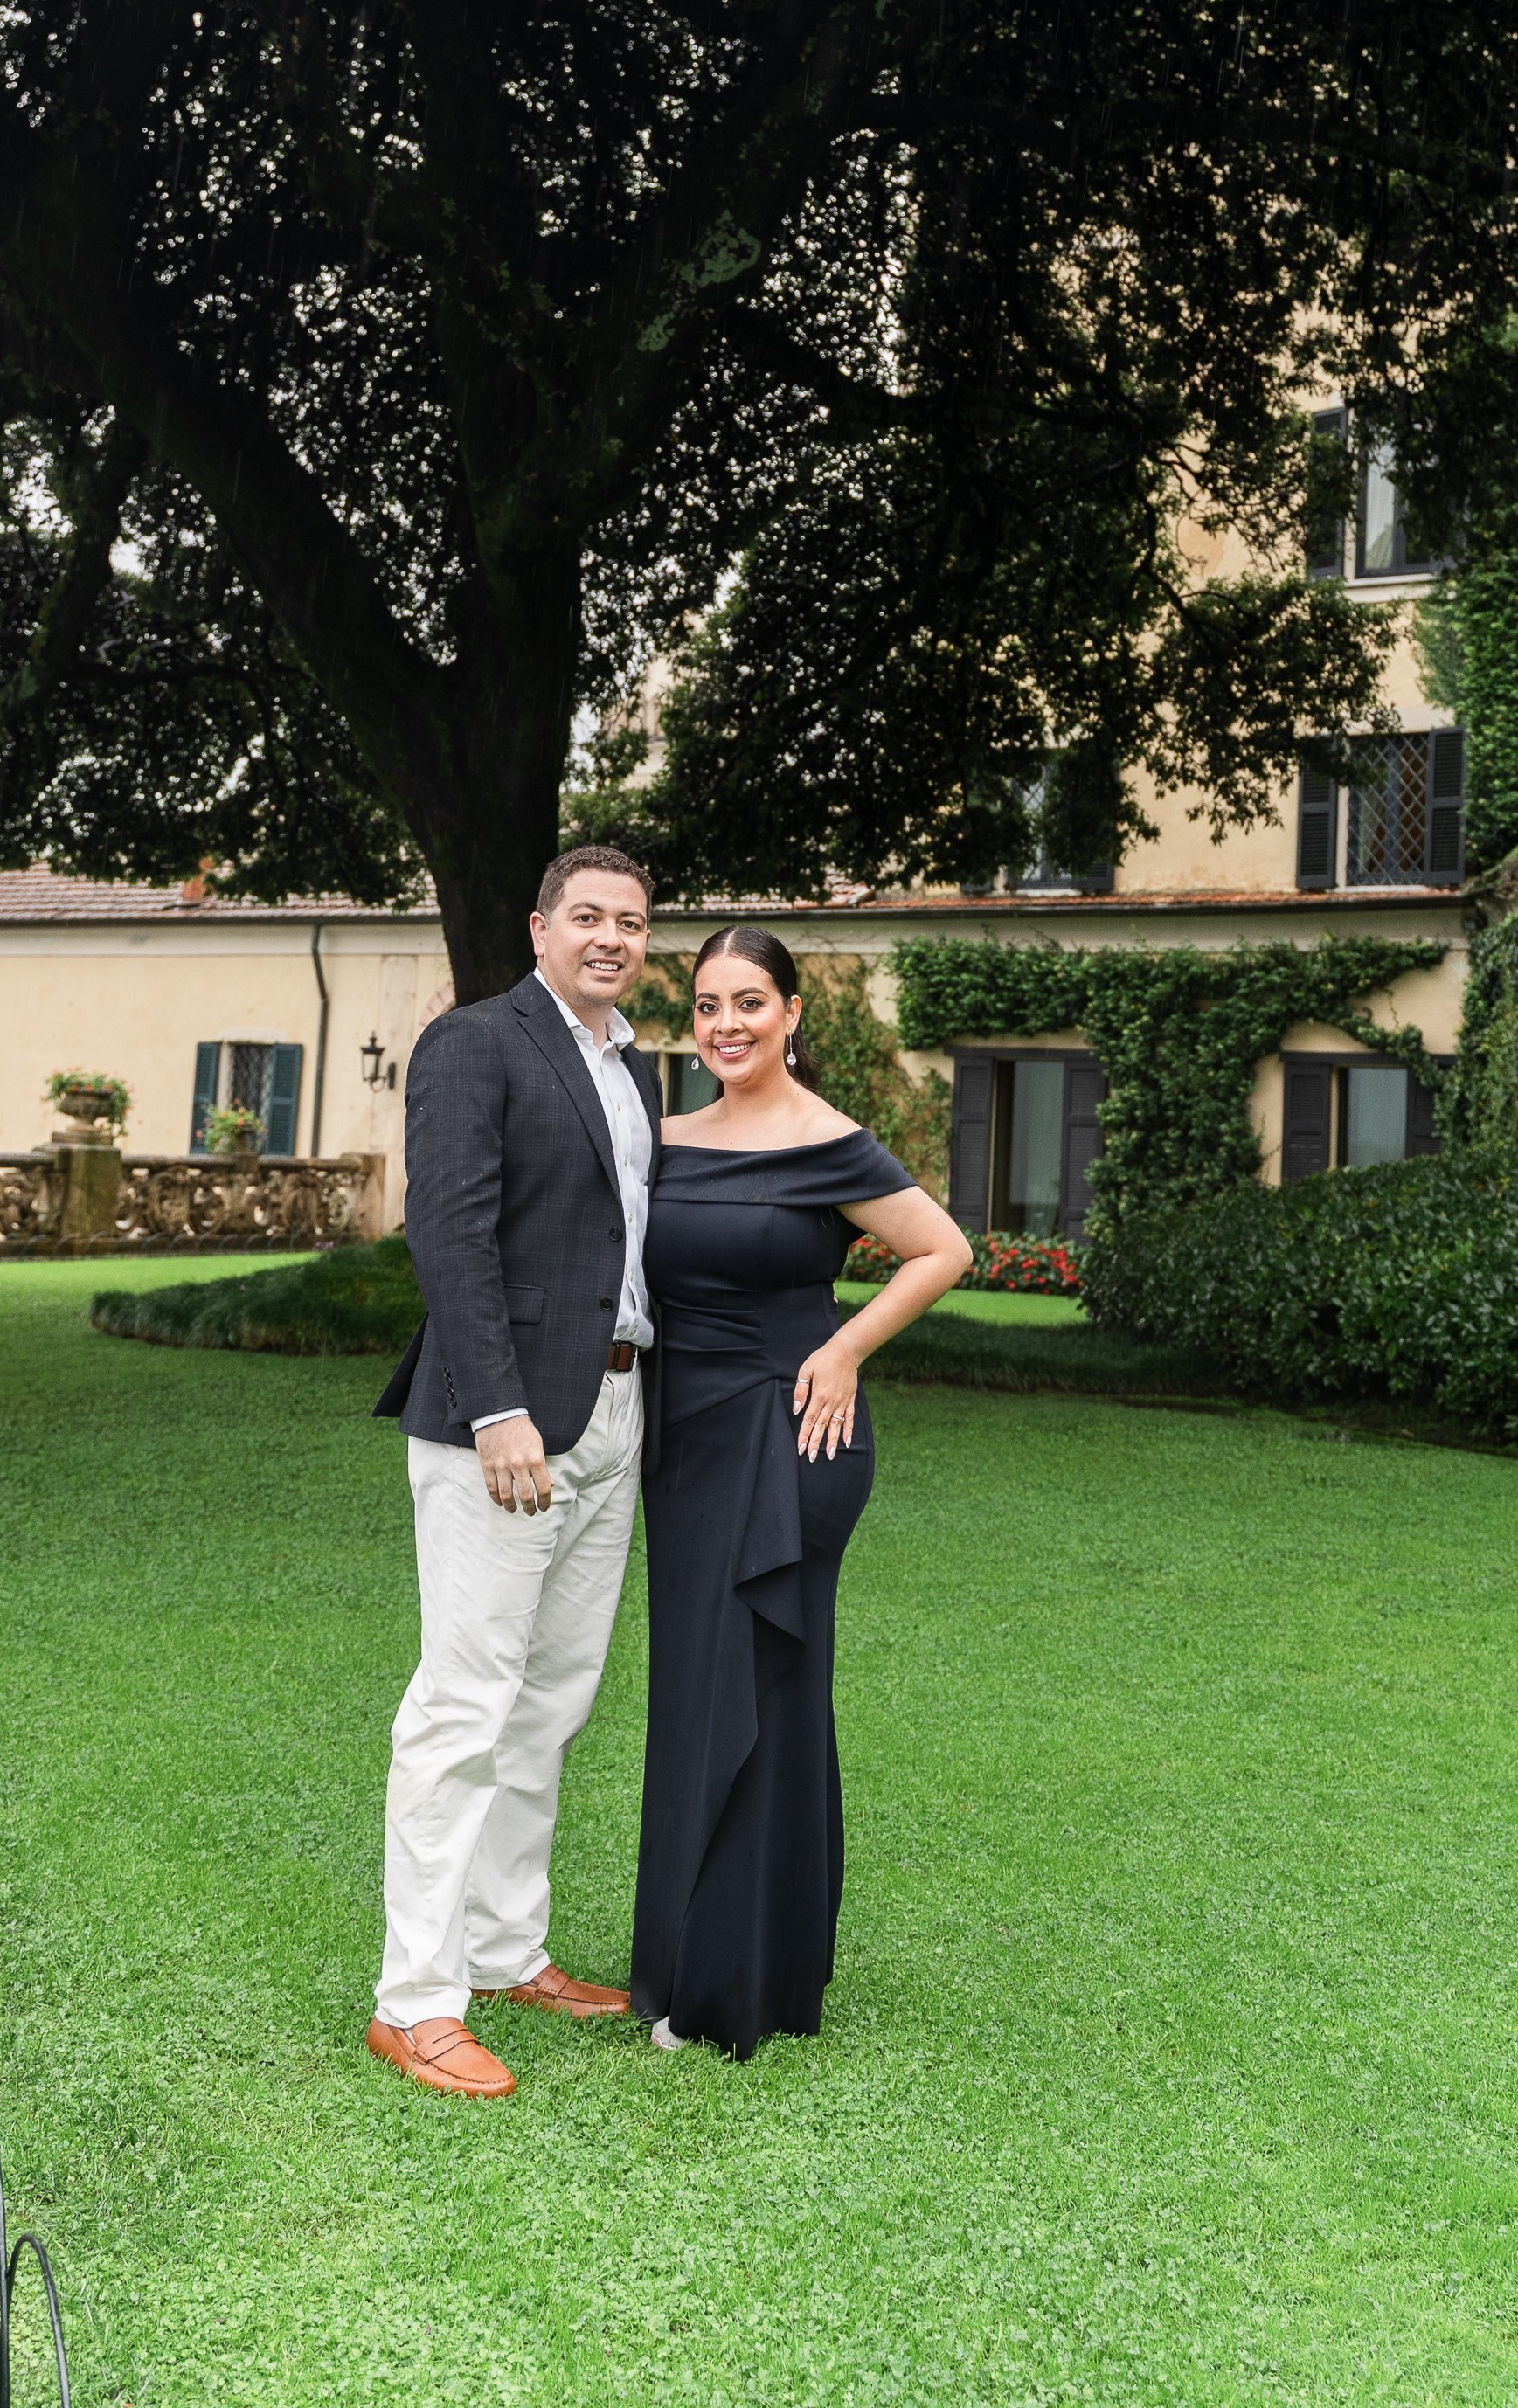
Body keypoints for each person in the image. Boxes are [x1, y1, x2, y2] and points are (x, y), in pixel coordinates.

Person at [632, 923, 972, 2059]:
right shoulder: (660, 1137)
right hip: (681, 1443)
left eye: (751, 1001)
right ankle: (687, 1958)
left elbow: (941, 1250)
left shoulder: (832, 1142)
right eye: (708, 1004)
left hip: (796, 1431)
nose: (727, 1023)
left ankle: (742, 1982)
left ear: (793, 1015)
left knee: (763, 1685)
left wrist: (847, 1347)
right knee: (691, 1683)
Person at [365, 846, 662, 2100]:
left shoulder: (632, 1062)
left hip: (614, 1406)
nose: (610, 936)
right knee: (466, 1701)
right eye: (587, 915)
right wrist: (496, 1405)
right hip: (506, 1423)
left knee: (553, 1698)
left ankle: (504, 1949)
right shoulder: (475, 1042)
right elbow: (449, 1229)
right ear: (539, 924)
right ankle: (416, 1999)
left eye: (632, 921)